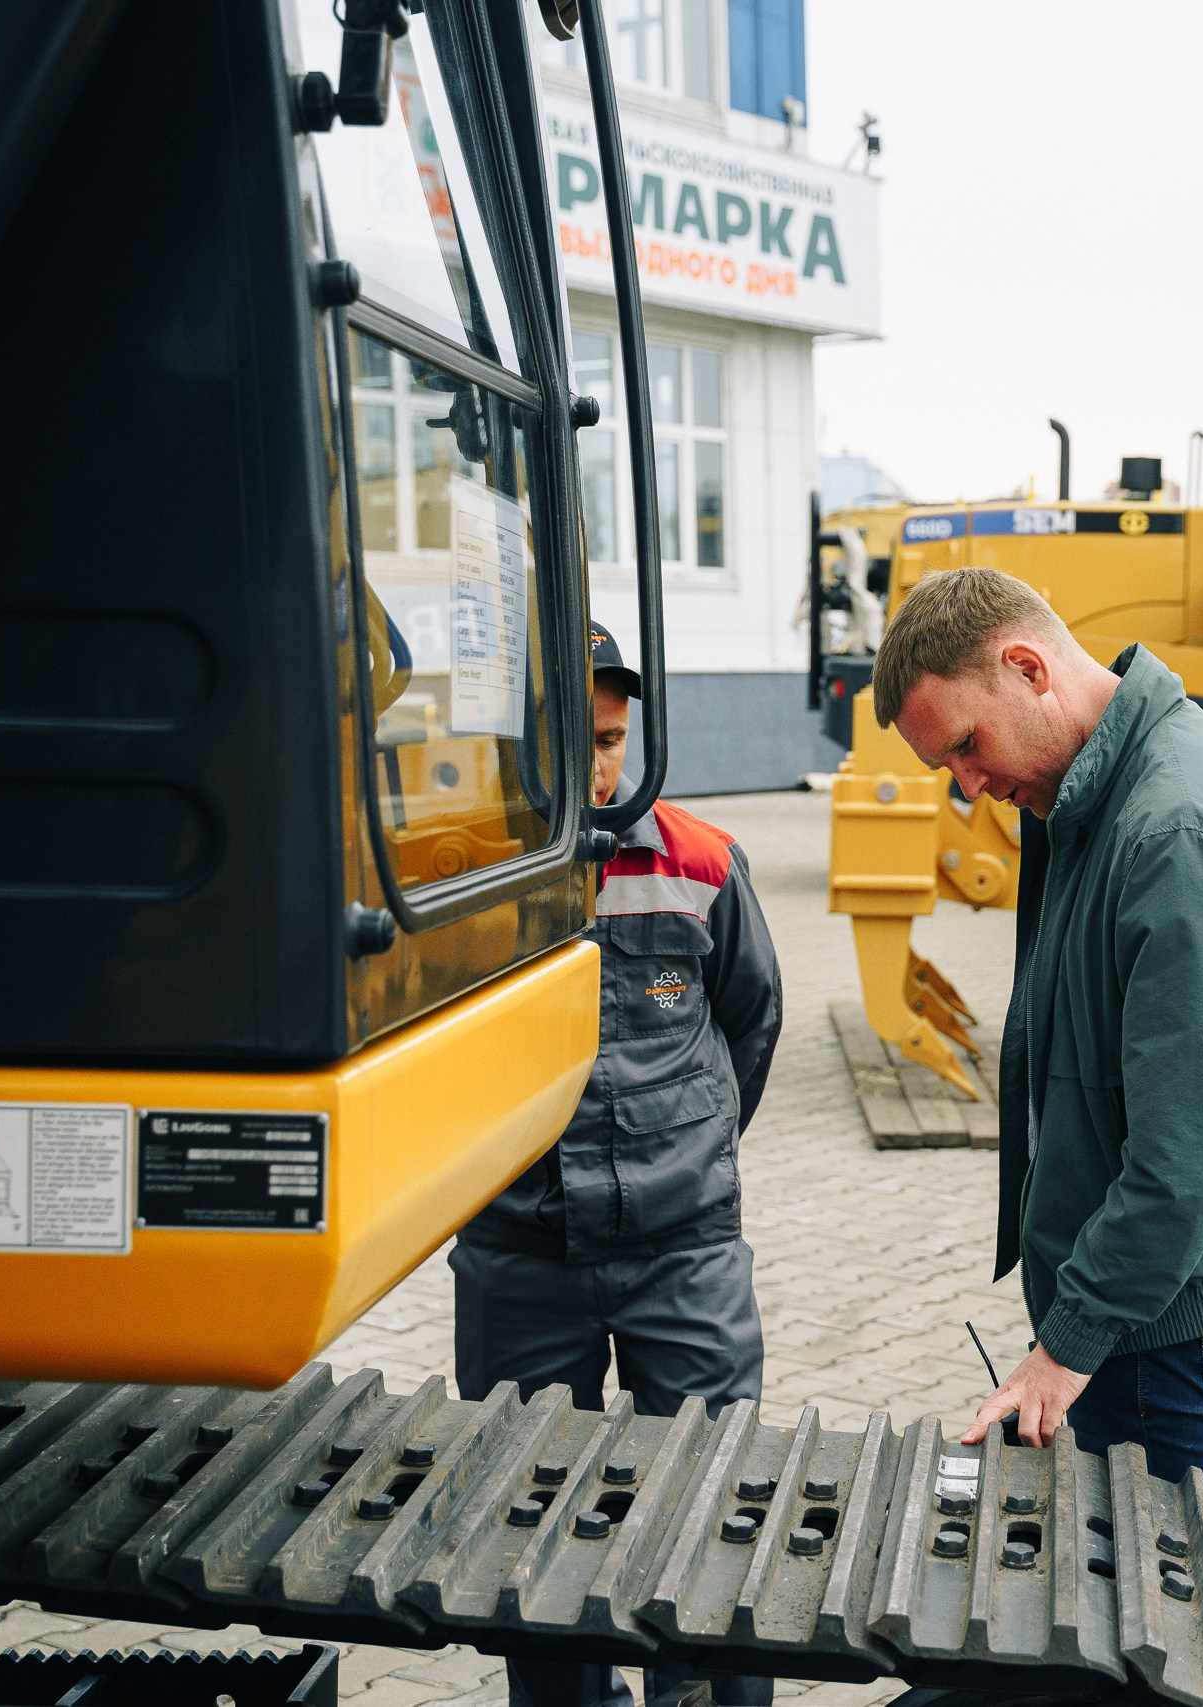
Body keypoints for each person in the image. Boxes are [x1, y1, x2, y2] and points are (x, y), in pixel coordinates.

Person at [870, 568, 1203, 1505]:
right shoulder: (1096, 788)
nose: (971, 785)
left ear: (1028, 668)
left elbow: (1190, 1150)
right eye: (945, 769)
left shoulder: (1173, 832)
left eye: (966, 744)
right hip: (1146, 1287)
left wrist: (1068, 1343)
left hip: (1161, 1311)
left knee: (1180, 1600)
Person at [452, 621, 782, 1707]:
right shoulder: (459, 877)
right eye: (569, 740)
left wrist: (682, 1158)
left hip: (682, 1257)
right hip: (517, 1256)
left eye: (608, 737)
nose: (596, 766)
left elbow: (750, 1025)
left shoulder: (701, 863)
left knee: (711, 1516)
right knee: (527, 1531)